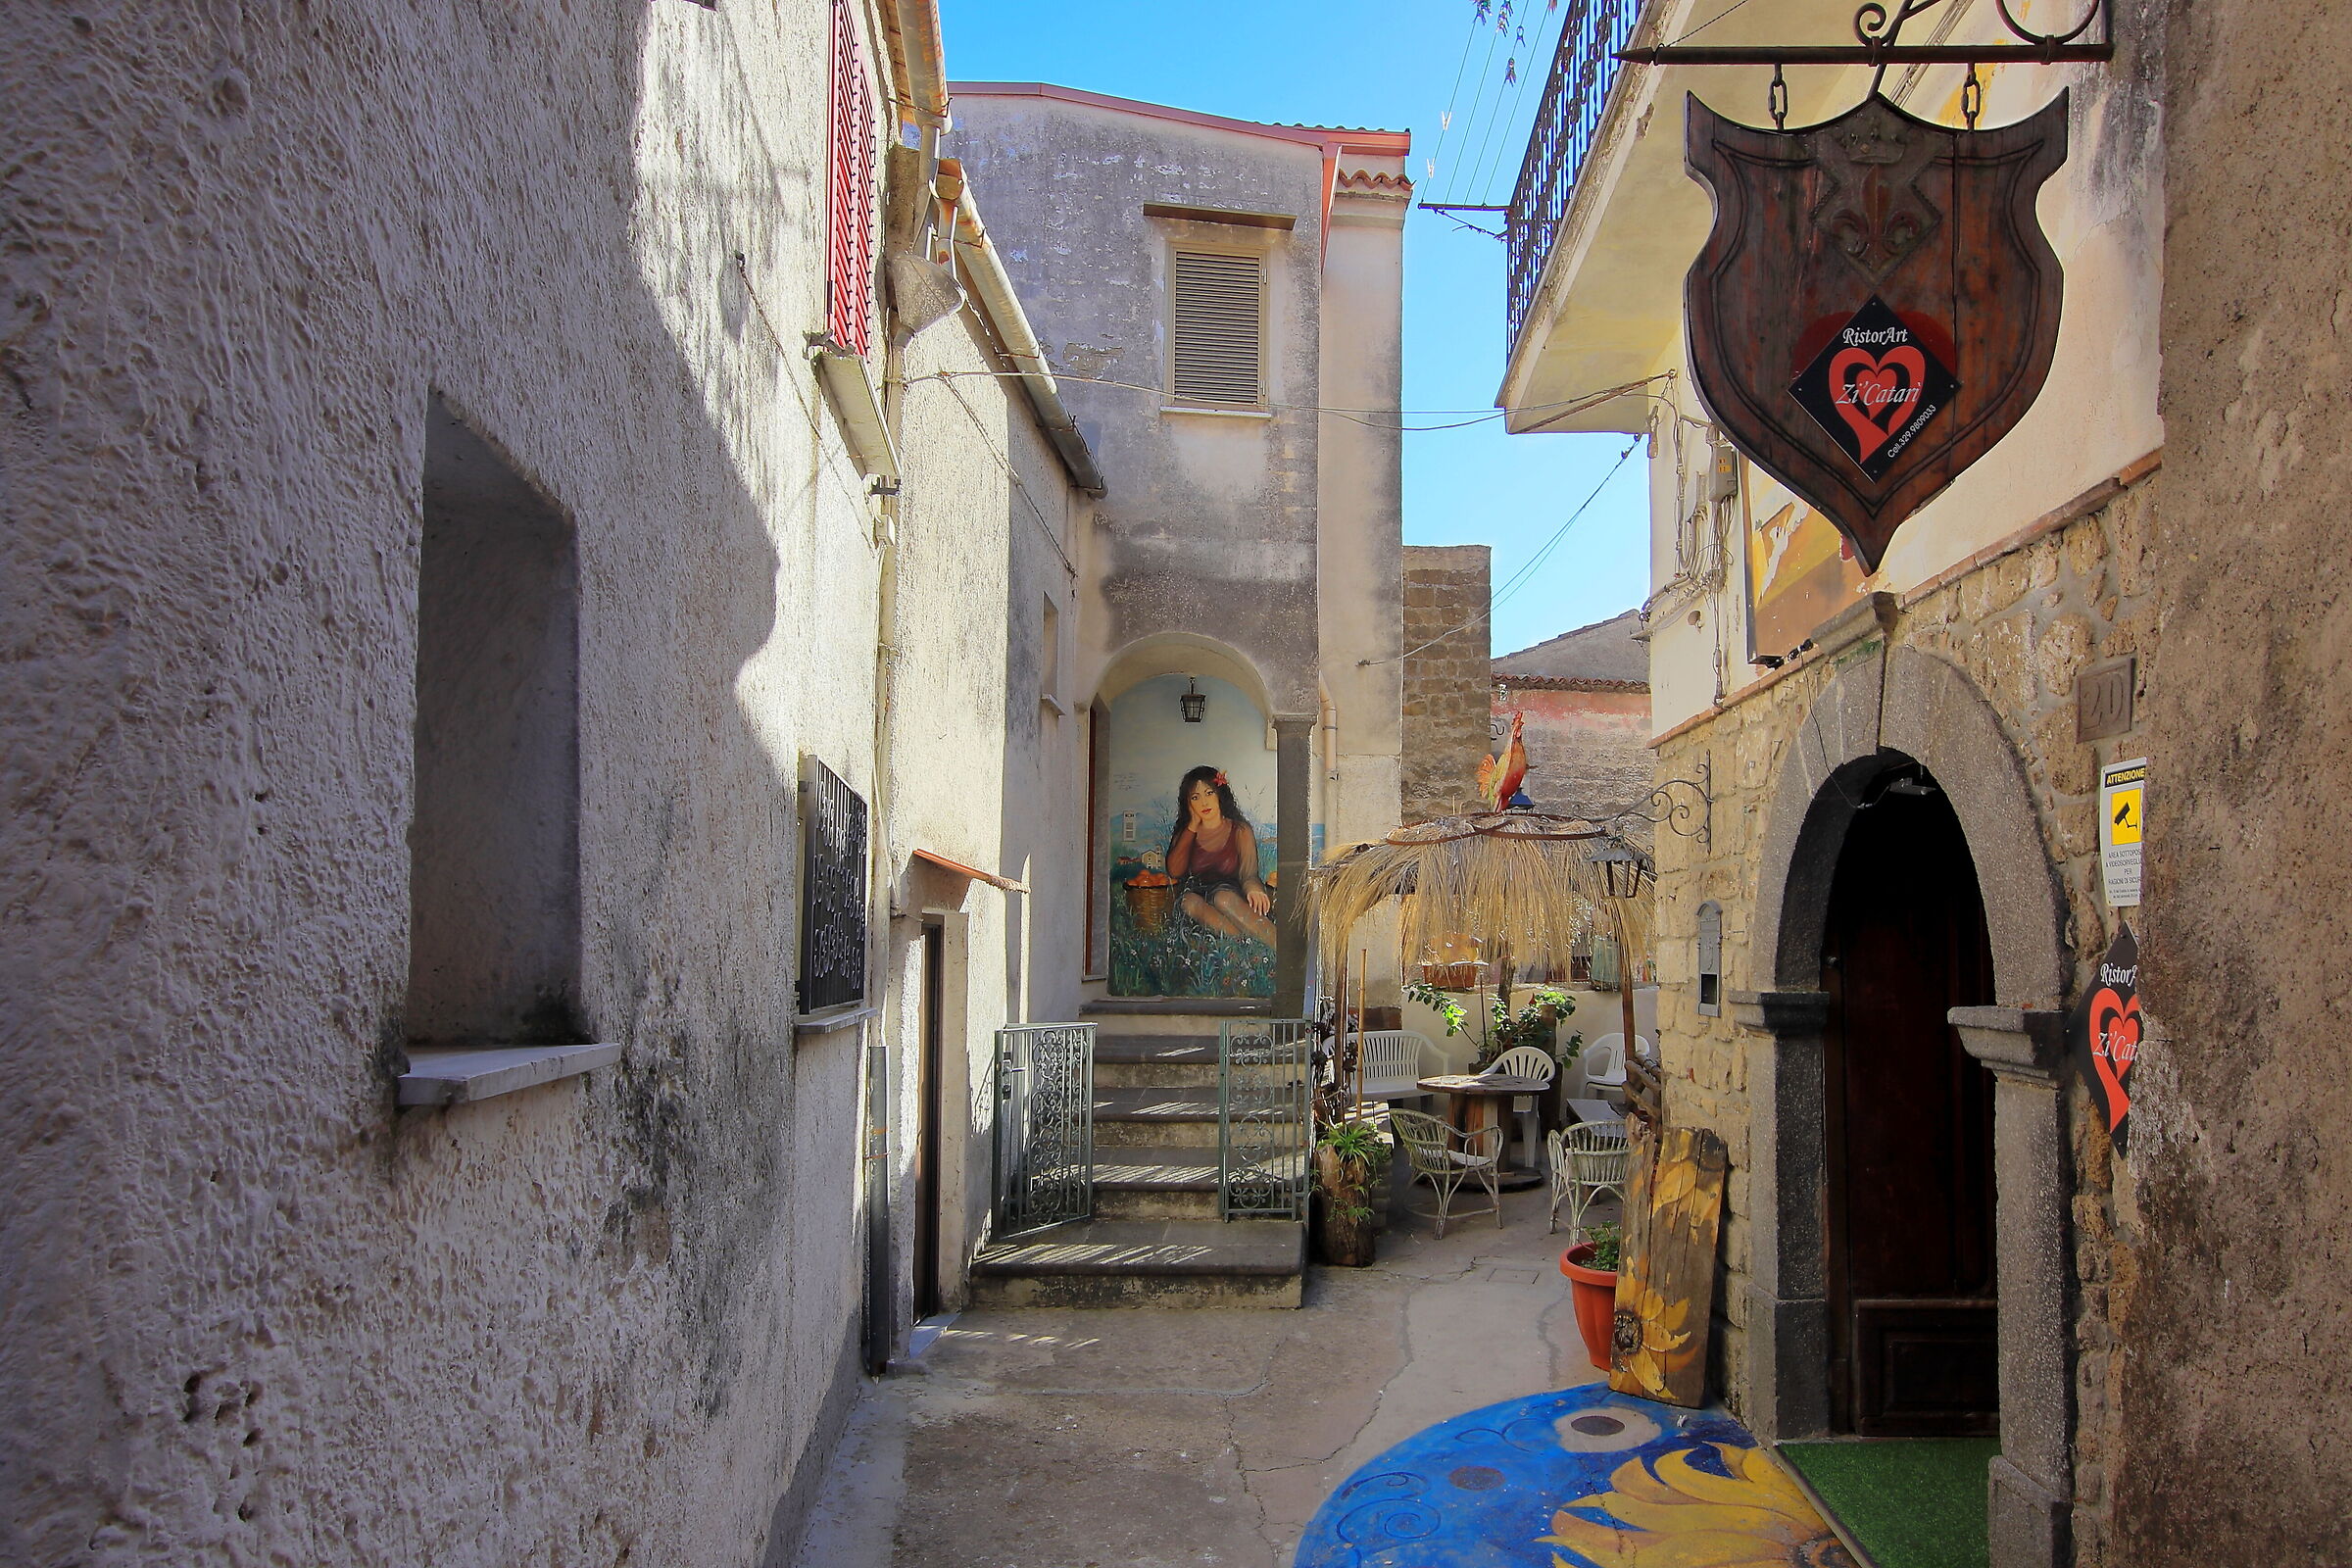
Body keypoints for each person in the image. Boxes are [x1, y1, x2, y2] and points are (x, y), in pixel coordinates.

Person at [1164, 765, 1277, 948]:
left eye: (1209, 793)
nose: (1204, 803)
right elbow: (1174, 871)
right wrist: (1192, 826)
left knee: (1223, 897)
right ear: (1188, 803)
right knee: (1188, 902)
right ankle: (1243, 944)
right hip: (1197, 898)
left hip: (1231, 895)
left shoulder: (1240, 830)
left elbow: (1249, 874)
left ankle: (1276, 944)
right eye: (1195, 797)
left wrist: (1254, 889)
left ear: (1219, 794)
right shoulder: (1185, 834)